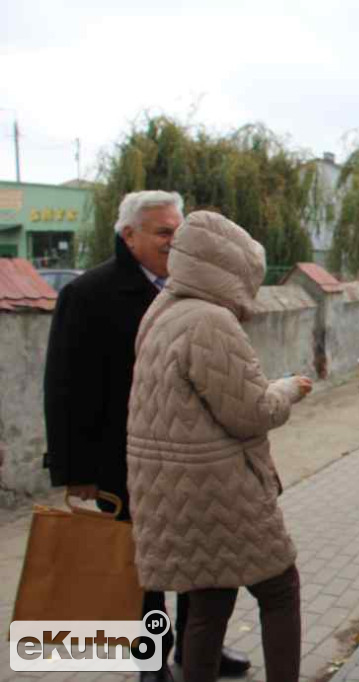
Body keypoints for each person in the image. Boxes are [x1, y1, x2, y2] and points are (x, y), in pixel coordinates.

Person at [43, 191, 250, 681]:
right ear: (128, 235)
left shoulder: (194, 289)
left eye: (178, 232)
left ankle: (198, 652)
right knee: (144, 567)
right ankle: (150, 659)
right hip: (123, 460)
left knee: (198, 558)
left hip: (194, 457)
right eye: (163, 233)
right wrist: (75, 471)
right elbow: (64, 387)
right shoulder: (88, 294)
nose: (173, 242)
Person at [126, 211, 312, 682]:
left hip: (172, 489)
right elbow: (252, 413)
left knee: (210, 600)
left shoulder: (161, 311)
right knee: (279, 589)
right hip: (219, 490)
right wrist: (287, 388)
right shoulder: (211, 321)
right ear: (233, 268)